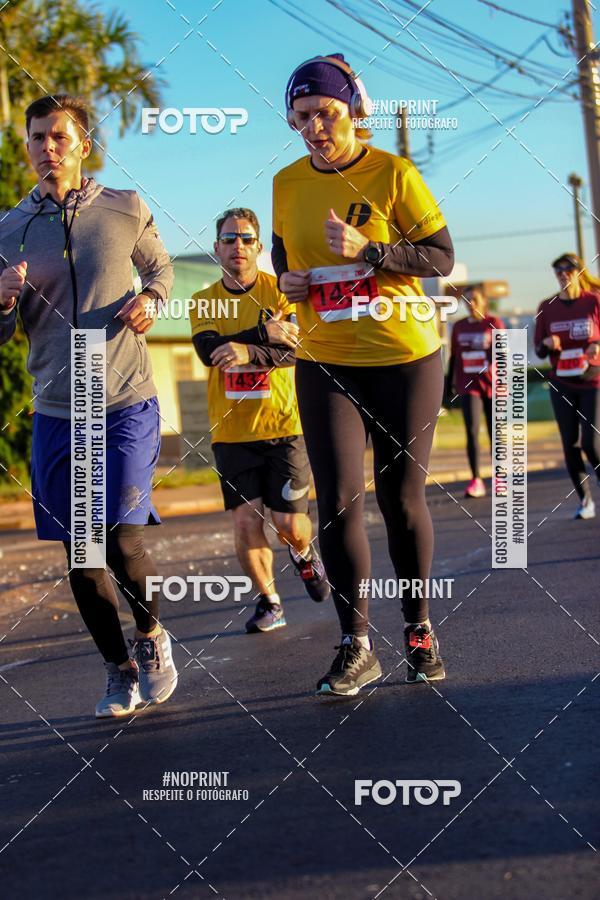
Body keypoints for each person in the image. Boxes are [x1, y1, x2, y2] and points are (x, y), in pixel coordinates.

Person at [272, 54, 454, 696]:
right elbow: (283, 257)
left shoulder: (394, 173)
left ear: (353, 110)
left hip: (404, 357)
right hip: (326, 359)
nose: (315, 128)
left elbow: (440, 256)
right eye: (301, 118)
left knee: (400, 499)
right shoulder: (287, 182)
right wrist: (287, 281)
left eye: (326, 113)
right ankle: (355, 644)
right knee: (338, 502)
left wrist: (371, 252)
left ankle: (420, 630)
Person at [0, 94, 178, 718]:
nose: (47, 147)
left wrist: (152, 299)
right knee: (82, 554)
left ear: (83, 144)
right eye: (36, 137)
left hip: (125, 397)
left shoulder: (124, 208)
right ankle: (118, 669)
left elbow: (161, 272)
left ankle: (152, 638)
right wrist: (1, 301)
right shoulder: (8, 228)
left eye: (59, 136)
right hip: (58, 406)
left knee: (124, 540)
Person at [190, 207, 330, 634]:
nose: (238, 246)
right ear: (216, 249)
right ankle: (270, 601)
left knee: (289, 525)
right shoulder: (203, 300)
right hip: (232, 432)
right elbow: (209, 352)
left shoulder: (282, 294)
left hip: (285, 427)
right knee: (246, 521)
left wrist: (248, 352)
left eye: (246, 238)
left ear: (259, 247)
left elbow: (296, 350)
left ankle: (304, 554)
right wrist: (260, 335)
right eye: (229, 239)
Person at [534, 253, 600, 519]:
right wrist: (547, 345)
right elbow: (538, 350)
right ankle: (585, 501)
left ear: (579, 272)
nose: (563, 274)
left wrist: (597, 345)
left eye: (568, 269)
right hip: (561, 382)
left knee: (590, 443)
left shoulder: (594, 302)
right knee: (570, 444)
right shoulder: (546, 306)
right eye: (558, 270)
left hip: (592, 380)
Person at [447, 285, 505, 497]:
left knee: (494, 433)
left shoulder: (494, 323)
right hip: (468, 386)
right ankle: (476, 480)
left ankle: (499, 478)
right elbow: (454, 357)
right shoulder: (459, 326)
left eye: (475, 300)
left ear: (484, 302)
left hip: (492, 386)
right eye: (467, 300)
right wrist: (448, 384)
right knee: (471, 432)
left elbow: (504, 354)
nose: (471, 304)